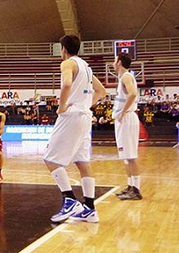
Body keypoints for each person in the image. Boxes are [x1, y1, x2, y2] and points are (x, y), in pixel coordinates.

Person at [43, 35, 106, 223]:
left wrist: (62, 107)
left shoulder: (68, 64)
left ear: (63, 48)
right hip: (85, 116)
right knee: (82, 162)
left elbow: (67, 84)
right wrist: (86, 105)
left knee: (50, 159)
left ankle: (69, 199)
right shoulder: (86, 67)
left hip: (71, 116)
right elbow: (101, 91)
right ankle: (89, 208)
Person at [112, 53, 142, 200]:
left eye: (114, 60)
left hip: (127, 118)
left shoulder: (126, 77)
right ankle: (130, 186)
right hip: (123, 119)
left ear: (119, 62)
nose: (113, 62)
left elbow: (133, 94)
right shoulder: (123, 78)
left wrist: (123, 111)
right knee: (126, 157)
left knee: (131, 156)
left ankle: (136, 189)